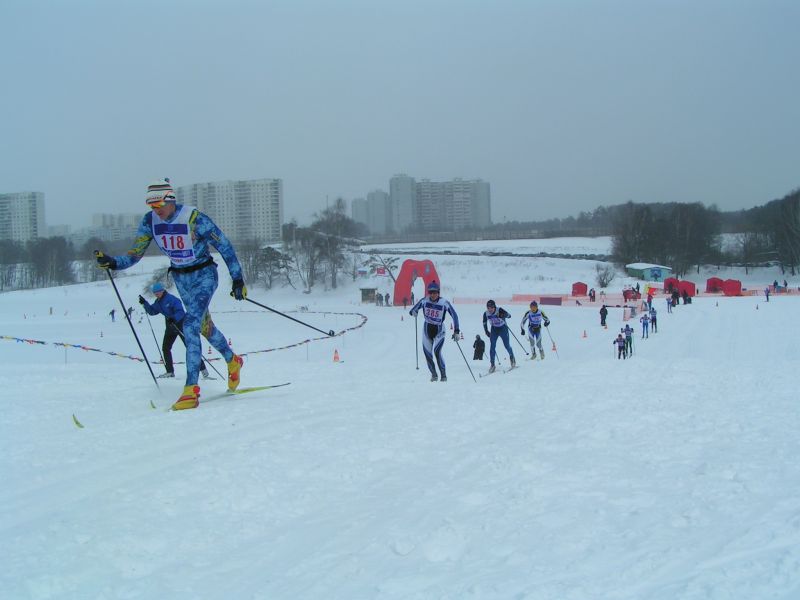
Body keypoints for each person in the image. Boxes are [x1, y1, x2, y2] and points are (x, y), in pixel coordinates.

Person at [95, 178, 246, 410]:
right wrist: (114, 263)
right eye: (151, 206)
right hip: (180, 278)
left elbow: (224, 245)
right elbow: (136, 254)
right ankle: (232, 360)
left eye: (159, 206)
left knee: (190, 324)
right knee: (205, 327)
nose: (156, 211)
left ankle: (190, 390)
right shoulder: (150, 221)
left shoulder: (195, 218)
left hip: (204, 275)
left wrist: (237, 278)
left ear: (170, 200)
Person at [139, 282, 209, 380]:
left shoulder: (171, 299)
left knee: (190, 347)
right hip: (170, 326)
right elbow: (152, 311)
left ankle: (204, 371)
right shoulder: (158, 302)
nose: (157, 294)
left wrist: (174, 318)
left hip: (180, 324)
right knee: (166, 348)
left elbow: (180, 311)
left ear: (163, 290)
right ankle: (170, 372)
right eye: (155, 293)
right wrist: (144, 303)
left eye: (158, 292)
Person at [409, 281, 460, 382]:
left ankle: (443, 375)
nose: (432, 295)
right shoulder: (424, 301)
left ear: (438, 292)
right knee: (427, 354)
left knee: (437, 352)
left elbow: (454, 315)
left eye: (435, 292)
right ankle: (434, 375)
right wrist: (414, 312)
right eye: (431, 292)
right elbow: (412, 310)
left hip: (439, 330)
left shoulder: (444, 303)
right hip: (427, 330)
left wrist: (456, 331)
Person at [483, 299, 515, 373]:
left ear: (494, 307)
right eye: (488, 308)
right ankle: (492, 364)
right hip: (494, 329)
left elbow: (509, 316)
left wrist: (503, 315)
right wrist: (486, 331)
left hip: (503, 328)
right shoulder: (486, 313)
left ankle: (512, 358)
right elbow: (484, 322)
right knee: (492, 347)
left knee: (507, 346)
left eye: (491, 307)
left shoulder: (499, 310)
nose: (489, 309)